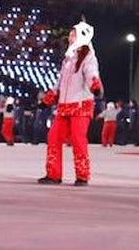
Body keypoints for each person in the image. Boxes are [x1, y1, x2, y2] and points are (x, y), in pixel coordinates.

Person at [38, 19, 103, 186]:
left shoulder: (88, 57)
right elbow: (59, 83)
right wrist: (49, 99)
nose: (70, 37)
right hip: (64, 106)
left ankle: (82, 175)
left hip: (80, 106)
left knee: (78, 140)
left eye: (73, 34)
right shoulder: (68, 59)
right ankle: (53, 174)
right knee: (53, 137)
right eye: (70, 34)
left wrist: (95, 86)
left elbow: (91, 73)